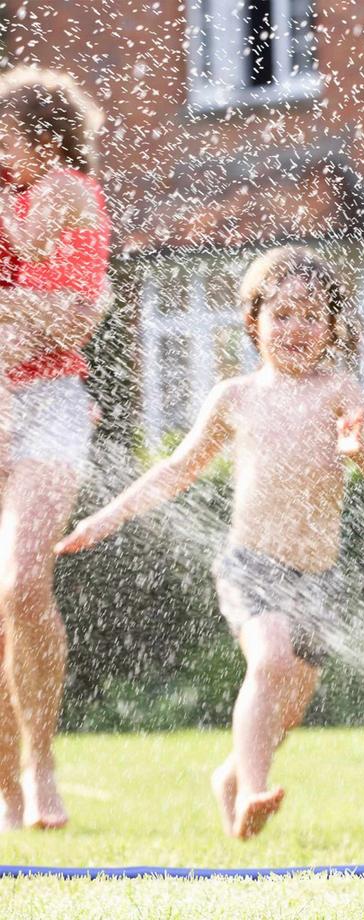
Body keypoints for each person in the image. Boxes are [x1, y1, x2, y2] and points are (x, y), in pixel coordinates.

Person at [56, 246, 364, 840]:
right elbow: (175, 469)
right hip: (251, 565)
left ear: (332, 328)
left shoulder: (339, 391)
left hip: (317, 574)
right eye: (282, 314)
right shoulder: (235, 398)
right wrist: (102, 519)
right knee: (269, 660)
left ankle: (233, 775)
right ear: (253, 322)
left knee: (289, 704)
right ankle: (253, 792)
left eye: (312, 316)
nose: (296, 328)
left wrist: (358, 449)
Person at [0, 67, 110, 831]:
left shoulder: (65, 189)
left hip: (48, 403)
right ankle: (7, 790)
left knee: (20, 584)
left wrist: (45, 309)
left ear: (42, 136)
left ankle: (41, 765)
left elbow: (68, 322)